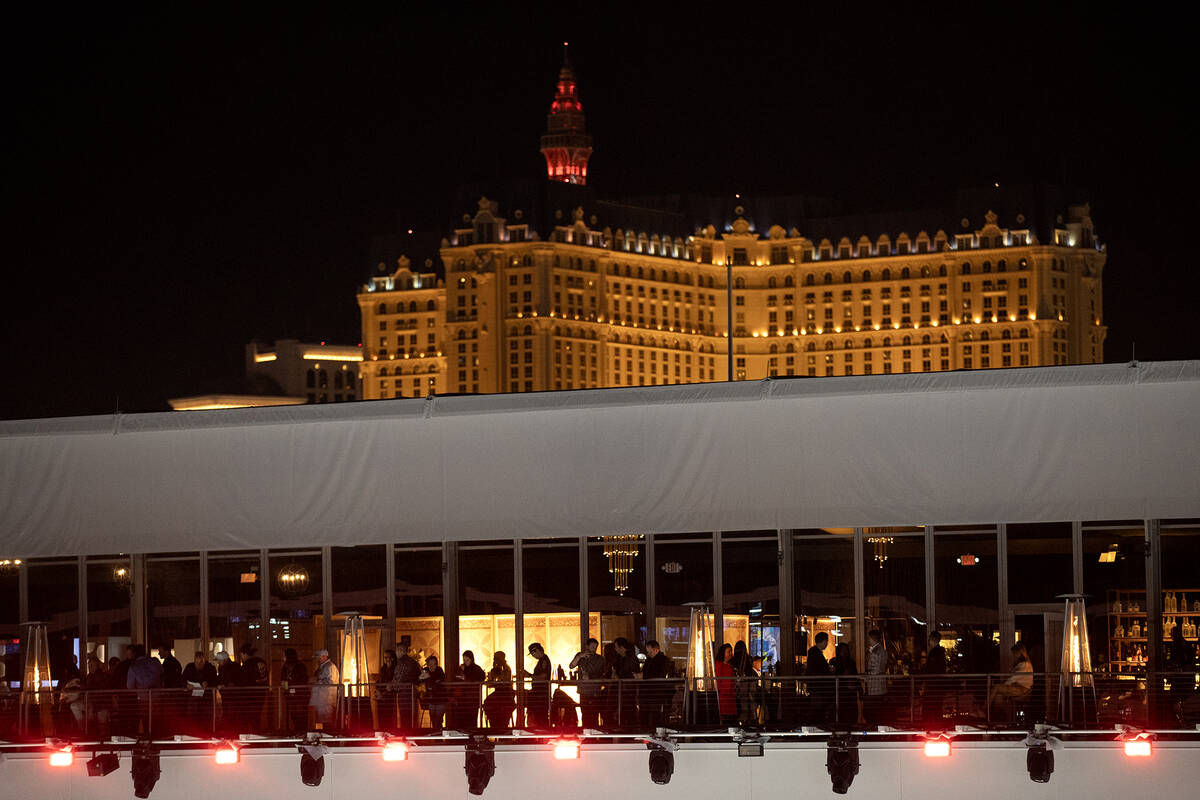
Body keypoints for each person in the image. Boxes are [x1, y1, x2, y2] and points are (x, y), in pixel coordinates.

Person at [988, 643, 1033, 720]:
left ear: (1019, 653)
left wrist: (1003, 685)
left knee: (996, 688)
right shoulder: (1022, 664)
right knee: (998, 694)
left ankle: (986, 708)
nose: (1013, 656)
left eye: (1014, 653)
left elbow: (1013, 677)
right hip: (1019, 687)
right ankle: (997, 716)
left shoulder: (1024, 665)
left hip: (1022, 689)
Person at [126, 644, 163, 736]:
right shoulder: (155, 661)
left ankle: (148, 737)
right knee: (157, 719)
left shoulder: (134, 667)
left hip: (143, 698)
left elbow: (129, 686)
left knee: (146, 719)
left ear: (134, 654)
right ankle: (157, 737)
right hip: (157, 696)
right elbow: (162, 673)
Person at [570, 638, 606, 729]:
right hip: (583, 690)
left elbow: (600, 673)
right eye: (592, 646)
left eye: (595, 647)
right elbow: (571, 666)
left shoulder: (599, 659)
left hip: (594, 690)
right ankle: (586, 733)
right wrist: (579, 657)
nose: (594, 649)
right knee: (584, 713)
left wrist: (589, 677)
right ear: (587, 646)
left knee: (593, 714)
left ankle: (594, 734)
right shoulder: (580, 656)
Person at [182, 651, 218, 735]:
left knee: (206, 718)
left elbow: (216, 681)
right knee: (192, 718)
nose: (199, 665)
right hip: (193, 698)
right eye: (197, 663)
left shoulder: (210, 668)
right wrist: (187, 685)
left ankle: (207, 733)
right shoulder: (189, 667)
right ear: (194, 660)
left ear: (204, 661)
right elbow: (182, 680)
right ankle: (192, 733)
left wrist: (208, 683)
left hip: (206, 699)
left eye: (201, 662)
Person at [640, 639, 673, 729]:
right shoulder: (649, 660)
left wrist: (643, 676)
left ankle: (652, 730)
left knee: (654, 714)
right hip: (650, 692)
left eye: (650, 652)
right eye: (647, 652)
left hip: (655, 692)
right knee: (649, 713)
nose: (648, 654)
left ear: (656, 650)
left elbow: (660, 674)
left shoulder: (662, 660)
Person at [390, 637, 421, 731]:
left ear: (401, 651)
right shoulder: (414, 663)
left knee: (405, 716)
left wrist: (392, 686)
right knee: (412, 717)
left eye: (397, 650)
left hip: (404, 693)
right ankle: (412, 734)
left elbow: (398, 678)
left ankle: (406, 734)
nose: (396, 653)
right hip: (413, 693)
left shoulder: (401, 663)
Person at [451, 650, 486, 729]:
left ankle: (471, 737)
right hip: (463, 699)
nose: (465, 662)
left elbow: (480, 678)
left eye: (467, 660)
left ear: (472, 659)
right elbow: (455, 678)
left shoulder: (476, 669)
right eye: (464, 660)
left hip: (472, 699)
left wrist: (465, 677)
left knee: (472, 720)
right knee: (462, 721)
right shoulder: (462, 669)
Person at [611, 637, 640, 727]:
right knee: (624, 711)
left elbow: (628, 673)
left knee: (628, 711)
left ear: (622, 647)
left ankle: (629, 731)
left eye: (616, 647)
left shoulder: (630, 658)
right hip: (622, 689)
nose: (615, 649)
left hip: (628, 690)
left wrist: (617, 676)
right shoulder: (620, 658)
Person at [522, 642, 552, 728]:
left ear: (536, 651)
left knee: (541, 719)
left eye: (532, 653)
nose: (532, 656)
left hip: (541, 695)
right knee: (540, 719)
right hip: (539, 695)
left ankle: (543, 737)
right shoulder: (542, 660)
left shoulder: (544, 660)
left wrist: (529, 675)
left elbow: (544, 676)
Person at [279, 647, 309, 733]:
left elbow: (302, 679)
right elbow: (283, 680)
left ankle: (302, 731)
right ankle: (298, 730)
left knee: (301, 714)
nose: (283, 658)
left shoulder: (299, 666)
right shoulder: (285, 668)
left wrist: (289, 684)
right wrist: (288, 686)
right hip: (291, 695)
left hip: (300, 695)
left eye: (284, 656)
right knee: (294, 714)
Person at [483, 651, 515, 729]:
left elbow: (504, 682)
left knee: (488, 702)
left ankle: (495, 725)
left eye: (495, 658)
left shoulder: (505, 668)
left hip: (505, 694)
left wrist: (494, 679)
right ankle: (493, 724)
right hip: (500, 693)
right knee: (487, 703)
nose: (494, 660)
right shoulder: (498, 668)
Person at [805, 632, 832, 724]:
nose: (827, 643)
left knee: (817, 707)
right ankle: (816, 724)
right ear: (823, 641)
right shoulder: (815, 652)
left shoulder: (814, 652)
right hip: (818, 687)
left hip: (817, 687)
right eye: (826, 641)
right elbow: (818, 669)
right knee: (817, 708)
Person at [309, 649, 340, 729]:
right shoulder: (323, 667)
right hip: (321, 700)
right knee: (322, 720)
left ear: (323, 657)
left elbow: (331, 682)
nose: (317, 660)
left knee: (327, 721)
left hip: (326, 700)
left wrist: (317, 680)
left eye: (318, 657)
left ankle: (328, 738)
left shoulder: (330, 667)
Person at [864, 629, 889, 725]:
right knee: (879, 714)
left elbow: (875, 670)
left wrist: (864, 676)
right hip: (882, 686)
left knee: (872, 714)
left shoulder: (875, 652)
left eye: (869, 638)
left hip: (874, 687)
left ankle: (873, 733)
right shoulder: (883, 651)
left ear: (871, 639)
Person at [831, 642, 860, 726]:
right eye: (842, 650)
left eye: (846, 650)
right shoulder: (835, 662)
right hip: (841, 691)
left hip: (850, 691)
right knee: (842, 712)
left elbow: (855, 676)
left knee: (851, 712)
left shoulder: (851, 662)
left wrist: (858, 688)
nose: (844, 652)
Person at [923, 632, 948, 728]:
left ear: (932, 640)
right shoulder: (940, 652)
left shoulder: (934, 652)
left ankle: (928, 725)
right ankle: (937, 724)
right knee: (937, 706)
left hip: (933, 684)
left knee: (929, 706)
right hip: (939, 684)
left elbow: (930, 669)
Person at [84, 654, 113, 737]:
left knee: (102, 725)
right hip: (97, 704)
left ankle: (102, 741)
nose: (90, 667)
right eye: (89, 665)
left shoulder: (98, 676)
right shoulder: (91, 676)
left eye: (92, 665)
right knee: (101, 725)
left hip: (101, 704)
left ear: (97, 665)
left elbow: (96, 689)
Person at [420, 654, 448, 731]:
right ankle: (436, 735)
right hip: (431, 699)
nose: (432, 666)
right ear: (428, 664)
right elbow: (419, 680)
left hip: (440, 699)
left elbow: (438, 682)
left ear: (436, 664)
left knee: (439, 719)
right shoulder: (425, 670)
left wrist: (428, 677)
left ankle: (439, 736)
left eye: (434, 664)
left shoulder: (439, 671)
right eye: (430, 664)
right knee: (433, 717)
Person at [713, 642, 737, 726]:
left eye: (731, 651)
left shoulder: (730, 665)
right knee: (726, 719)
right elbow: (717, 681)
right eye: (729, 652)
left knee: (730, 720)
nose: (731, 654)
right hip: (724, 698)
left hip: (730, 697)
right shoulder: (719, 665)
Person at [376, 649, 398, 730]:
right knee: (381, 715)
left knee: (388, 716)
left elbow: (392, 683)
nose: (385, 659)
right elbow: (379, 680)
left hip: (389, 696)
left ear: (392, 658)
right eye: (384, 657)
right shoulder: (383, 669)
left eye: (387, 657)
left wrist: (384, 693)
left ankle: (388, 732)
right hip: (381, 696)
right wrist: (378, 690)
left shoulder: (395, 669)